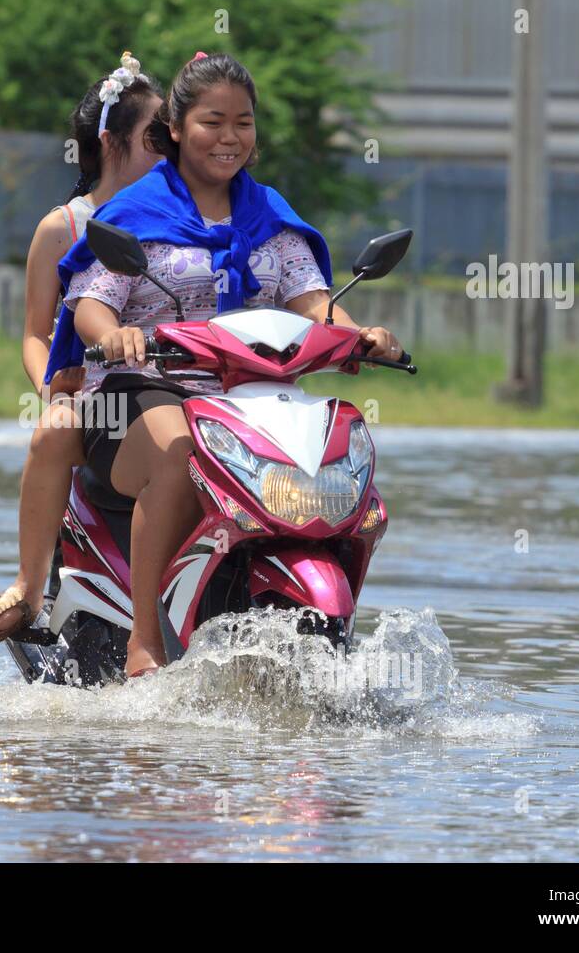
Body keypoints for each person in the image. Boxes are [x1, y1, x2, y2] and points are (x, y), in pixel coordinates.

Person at [46, 52, 405, 677]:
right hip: (144, 392)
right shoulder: (136, 214)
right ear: (178, 127)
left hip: (250, 400)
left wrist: (363, 336)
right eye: (214, 121)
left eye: (244, 122)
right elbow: (92, 308)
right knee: (183, 447)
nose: (230, 137)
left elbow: (316, 306)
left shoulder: (270, 218)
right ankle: (145, 643)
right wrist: (118, 337)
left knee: (337, 440)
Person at [0, 53, 164, 641]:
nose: (167, 149)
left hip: (178, 388)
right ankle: (28, 589)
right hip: (95, 394)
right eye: (154, 136)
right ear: (110, 140)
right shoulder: (64, 228)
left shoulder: (181, 218)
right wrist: (52, 386)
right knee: (53, 428)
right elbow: (34, 332)